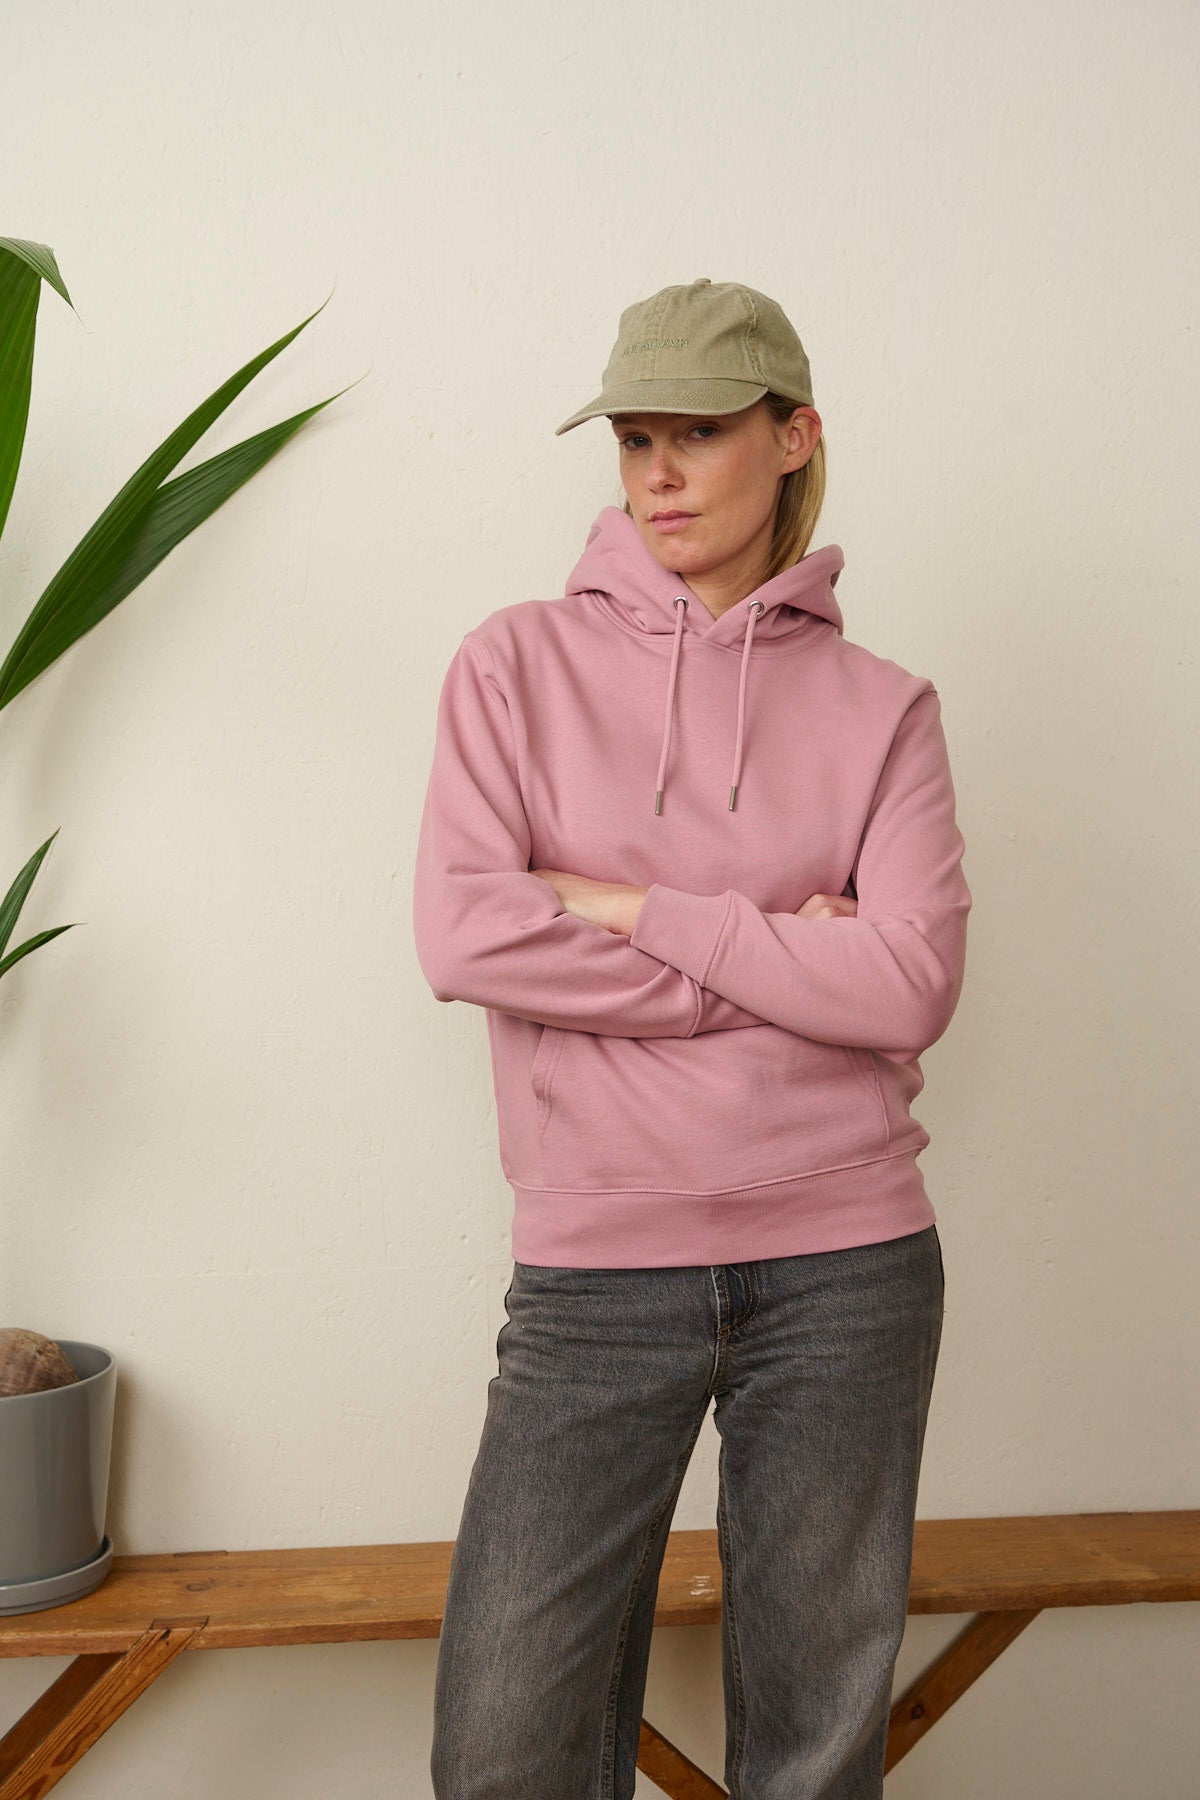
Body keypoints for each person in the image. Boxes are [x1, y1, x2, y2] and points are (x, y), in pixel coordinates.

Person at [413, 276, 971, 1799]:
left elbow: (912, 985)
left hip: (850, 1267)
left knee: (814, 1751)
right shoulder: (513, 666)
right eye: (634, 439)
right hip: (597, 1268)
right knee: (505, 1750)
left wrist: (628, 909)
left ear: (793, 437)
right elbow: (467, 938)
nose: (659, 474)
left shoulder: (884, 709)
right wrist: (786, 960)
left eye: (701, 434)